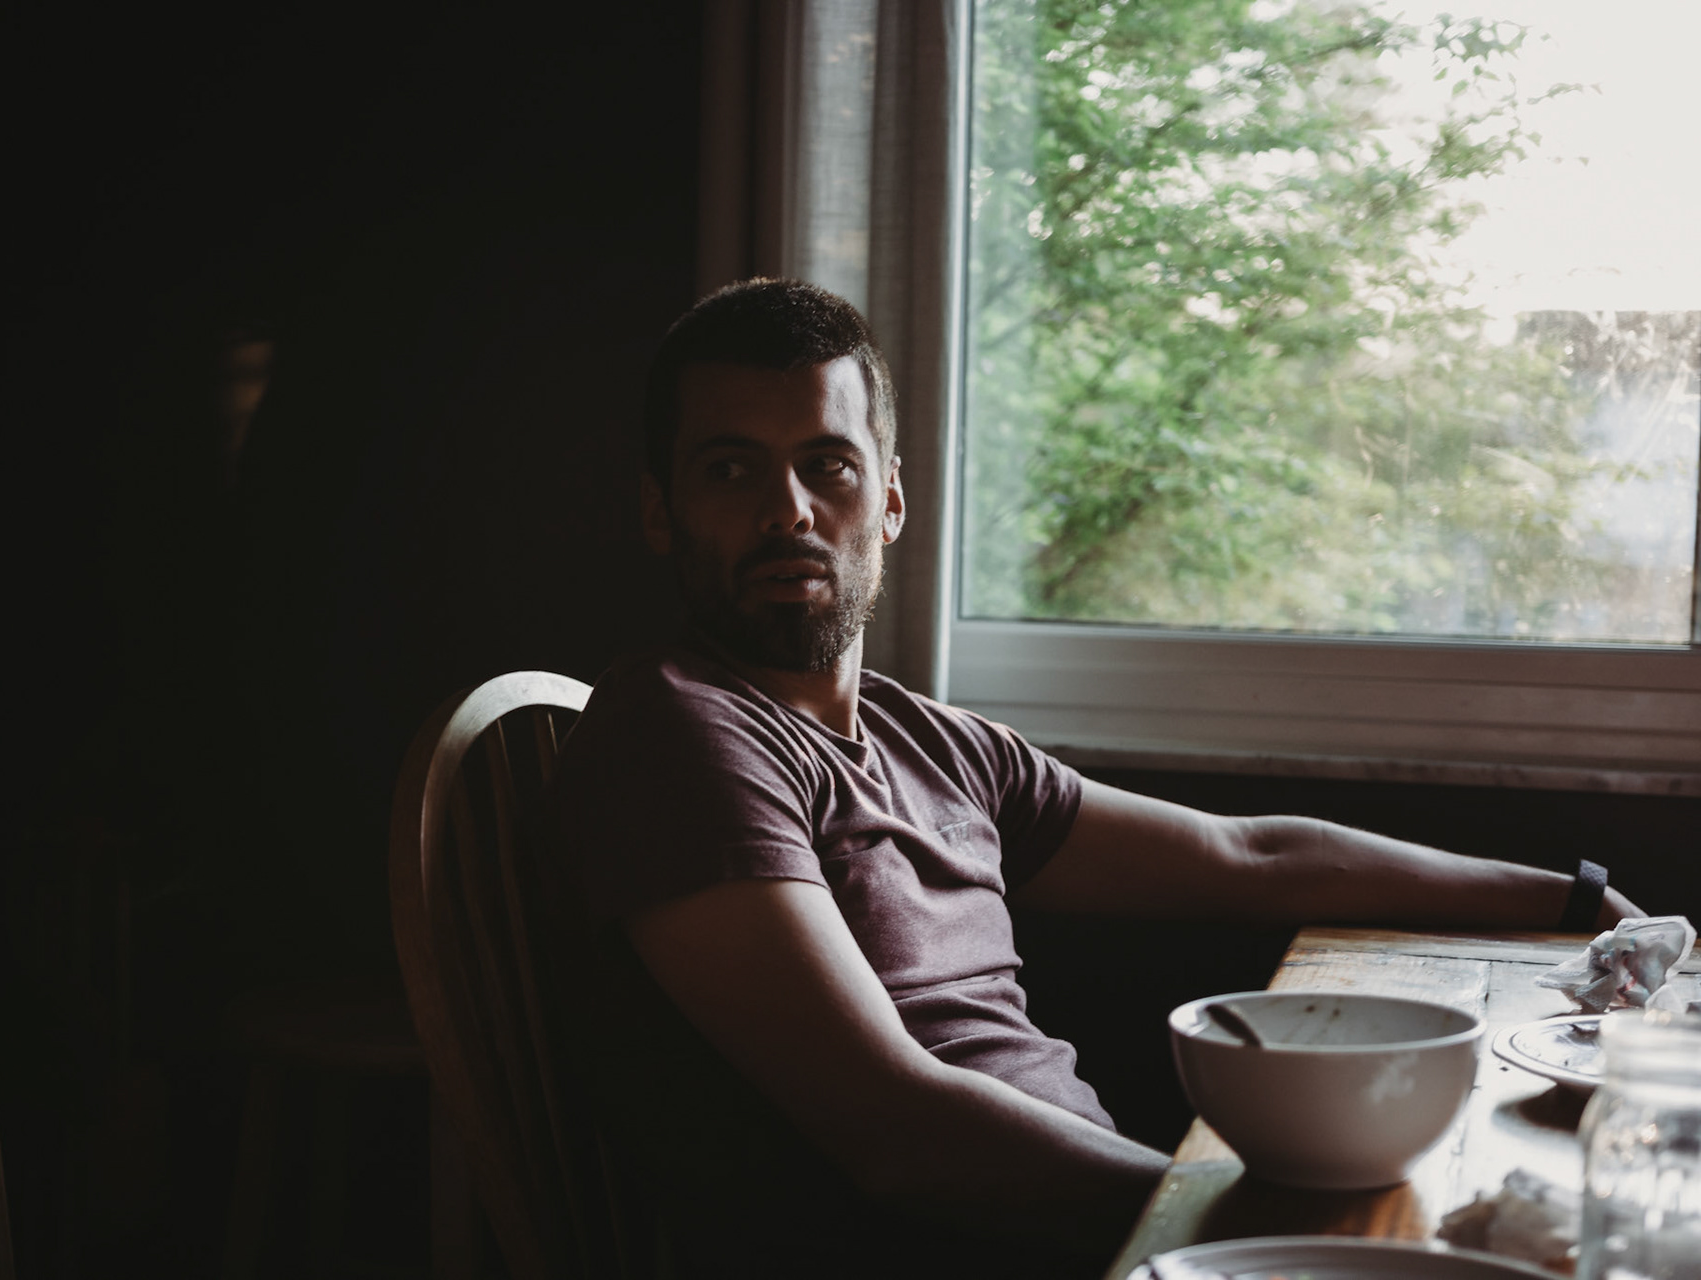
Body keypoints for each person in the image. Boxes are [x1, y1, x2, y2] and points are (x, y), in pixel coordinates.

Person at [552, 278, 1644, 1278]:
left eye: (826, 465)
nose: (786, 509)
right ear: (659, 510)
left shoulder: (933, 744)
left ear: (887, 500)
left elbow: (1249, 855)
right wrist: (1237, 1221)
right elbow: (897, 1132)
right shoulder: (678, 730)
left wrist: (1576, 900)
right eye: (730, 469)